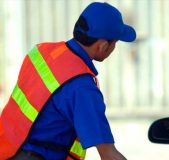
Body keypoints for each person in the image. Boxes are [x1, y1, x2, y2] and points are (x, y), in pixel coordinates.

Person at [0, 2, 136, 160]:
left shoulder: (40, 52)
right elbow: (108, 154)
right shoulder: (82, 87)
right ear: (103, 46)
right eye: (115, 43)